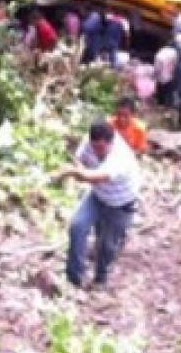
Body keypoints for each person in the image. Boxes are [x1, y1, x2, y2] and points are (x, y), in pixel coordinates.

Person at [57, 121, 141, 289]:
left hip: (121, 204)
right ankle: (74, 278)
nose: (96, 152)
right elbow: (79, 160)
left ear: (111, 143)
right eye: (94, 147)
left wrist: (71, 173)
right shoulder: (88, 143)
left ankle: (100, 279)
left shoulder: (120, 157)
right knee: (77, 227)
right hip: (97, 197)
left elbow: (96, 176)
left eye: (101, 149)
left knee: (106, 245)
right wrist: (76, 167)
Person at [154, 40, 179, 107]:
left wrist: (156, 73)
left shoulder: (161, 51)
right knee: (168, 93)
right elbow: (175, 64)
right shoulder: (174, 52)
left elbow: (157, 63)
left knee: (160, 93)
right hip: (168, 76)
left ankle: (160, 105)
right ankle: (167, 106)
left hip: (160, 74)